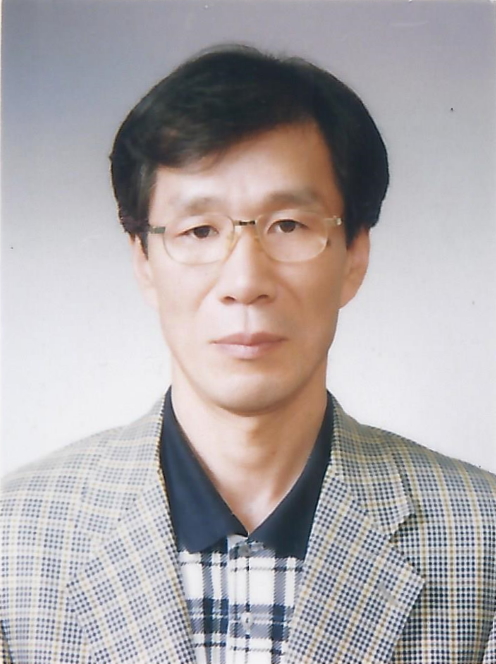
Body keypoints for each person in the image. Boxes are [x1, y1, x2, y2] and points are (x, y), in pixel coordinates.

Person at [1, 44, 495, 664]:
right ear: (143, 261)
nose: (244, 281)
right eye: (199, 230)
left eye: (288, 225)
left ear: (355, 255)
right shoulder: (14, 540)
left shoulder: (482, 540)